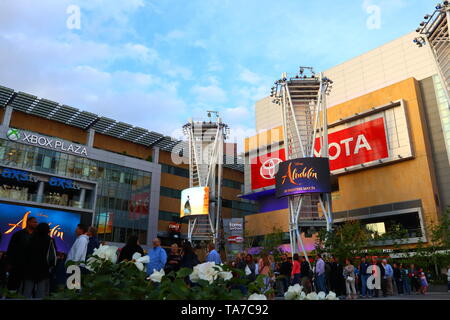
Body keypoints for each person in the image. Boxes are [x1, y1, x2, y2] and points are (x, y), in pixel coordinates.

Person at [22, 223, 56, 299]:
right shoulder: (50, 240)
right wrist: (51, 266)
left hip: (29, 267)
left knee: (27, 290)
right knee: (41, 291)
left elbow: (25, 253)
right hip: (43, 268)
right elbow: (52, 256)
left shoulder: (31, 238)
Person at [5, 216, 38, 292]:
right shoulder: (18, 234)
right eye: (34, 222)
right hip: (17, 264)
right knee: (14, 285)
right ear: (28, 222)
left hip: (30, 266)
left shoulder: (37, 236)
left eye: (36, 222)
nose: (36, 224)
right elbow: (11, 249)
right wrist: (9, 262)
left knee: (27, 287)